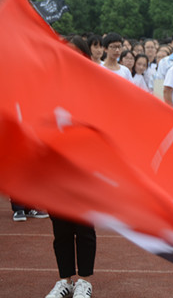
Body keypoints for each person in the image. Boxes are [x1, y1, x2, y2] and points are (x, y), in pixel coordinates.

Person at [45, 38, 96, 298]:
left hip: (84, 165)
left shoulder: (95, 86)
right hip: (55, 166)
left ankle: (84, 281)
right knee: (61, 228)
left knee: (84, 226)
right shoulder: (48, 86)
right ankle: (64, 279)